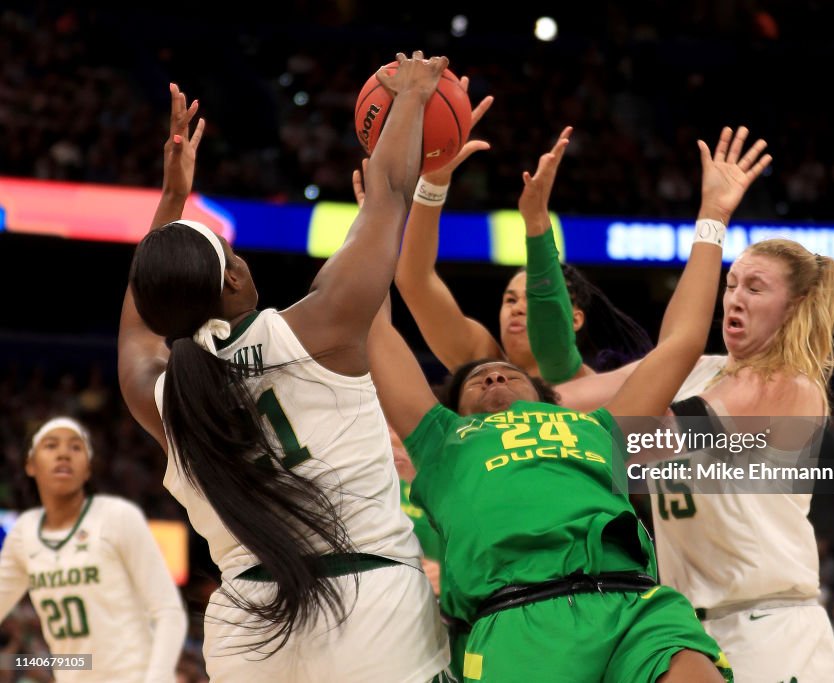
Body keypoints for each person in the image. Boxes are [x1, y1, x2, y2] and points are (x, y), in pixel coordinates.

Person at [368, 126, 771, 682]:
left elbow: (679, 342)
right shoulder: (442, 439)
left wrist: (713, 216)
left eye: (505, 374)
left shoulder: (596, 422)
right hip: (519, 616)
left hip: (634, 604)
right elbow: (371, 323)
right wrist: (378, 220)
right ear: (454, 410)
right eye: (477, 380)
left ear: (550, 399)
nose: (491, 376)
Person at [116, 56, 450, 681]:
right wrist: (412, 95)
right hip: (367, 602)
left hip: (246, 624)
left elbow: (139, 321)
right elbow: (388, 194)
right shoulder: (315, 329)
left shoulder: (161, 394)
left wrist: (171, 202)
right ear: (237, 276)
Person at [653, 234, 834, 682]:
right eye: (731, 284)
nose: (735, 299)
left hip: (769, 628)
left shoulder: (785, 386)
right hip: (692, 629)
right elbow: (571, 395)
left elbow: (642, 438)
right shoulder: (700, 372)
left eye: (755, 289)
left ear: (794, 306)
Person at [353, 102, 652, 384]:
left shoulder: (596, 388)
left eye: (530, 299)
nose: (517, 309)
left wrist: (536, 222)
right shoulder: (483, 363)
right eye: (510, 300)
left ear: (574, 320)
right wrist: (434, 181)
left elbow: (553, 350)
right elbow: (413, 279)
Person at [0, 417, 187, 682]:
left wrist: (156, 676)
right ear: (31, 465)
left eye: (76, 447)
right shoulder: (23, 533)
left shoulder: (118, 516)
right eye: (51, 446)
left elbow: (168, 611)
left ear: (87, 468)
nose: (64, 454)